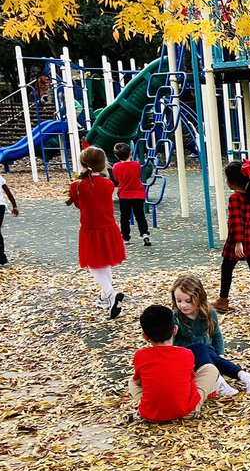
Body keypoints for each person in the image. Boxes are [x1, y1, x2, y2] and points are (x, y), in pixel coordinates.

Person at [171, 274, 250, 396]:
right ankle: (219, 382)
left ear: (199, 298)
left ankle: (245, 377)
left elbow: (216, 334)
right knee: (199, 348)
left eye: (188, 301)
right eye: (179, 301)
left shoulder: (208, 313)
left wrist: (220, 353)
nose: (183, 305)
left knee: (213, 356)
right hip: (186, 356)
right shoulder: (175, 316)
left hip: (207, 353)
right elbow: (171, 341)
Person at [129, 305, 221, 423]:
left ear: (145, 336)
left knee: (132, 381)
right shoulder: (186, 353)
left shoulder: (140, 355)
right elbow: (190, 380)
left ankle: (149, 404)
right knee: (210, 369)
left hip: (151, 415)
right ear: (175, 330)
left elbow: (138, 381)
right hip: (186, 411)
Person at [67, 146, 125, 318]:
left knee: (95, 265)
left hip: (90, 229)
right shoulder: (108, 184)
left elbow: (78, 204)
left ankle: (110, 294)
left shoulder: (77, 186)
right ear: (103, 164)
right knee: (104, 263)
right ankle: (105, 298)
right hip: (108, 227)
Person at [216, 160, 250, 314]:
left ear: (232, 181)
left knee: (227, 268)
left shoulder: (235, 199)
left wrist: (238, 242)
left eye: (227, 178)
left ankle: (222, 301)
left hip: (239, 238)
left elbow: (237, 221)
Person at [111, 143, 151, 246]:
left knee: (125, 217)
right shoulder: (136, 164)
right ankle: (144, 233)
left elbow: (116, 178)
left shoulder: (116, 166)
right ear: (130, 153)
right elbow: (138, 174)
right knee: (140, 215)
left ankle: (125, 237)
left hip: (124, 194)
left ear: (116, 156)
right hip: (138, 193)